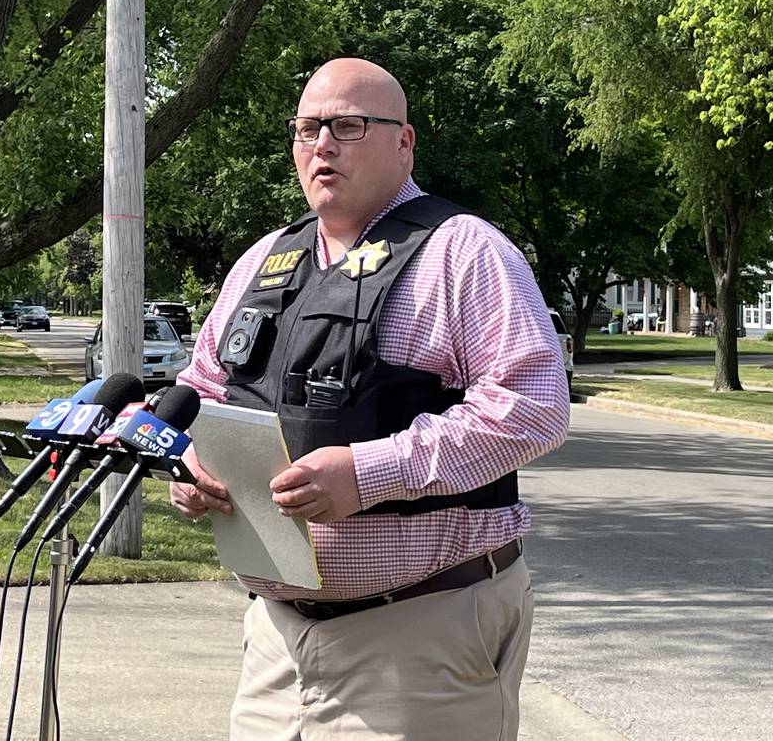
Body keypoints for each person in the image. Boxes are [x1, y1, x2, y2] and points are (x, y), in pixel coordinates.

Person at [171, 57, 570, 741]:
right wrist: (190, 466)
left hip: (419, 633)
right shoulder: (265, 258)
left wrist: (366, 474)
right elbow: (201, 389)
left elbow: (532, 407)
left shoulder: (463, 252)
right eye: (306, 128)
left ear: (404, 141)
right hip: (276, 638)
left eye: (348, 125)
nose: (321, 144)